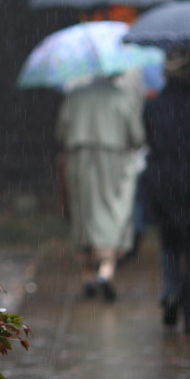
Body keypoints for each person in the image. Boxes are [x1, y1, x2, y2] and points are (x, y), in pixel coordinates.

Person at [140, 50, 190, 332]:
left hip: (162, 181)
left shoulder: (154, 106)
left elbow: (148, 139)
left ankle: (171, 290)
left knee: (169, 243)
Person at [57, 72, 146, 301]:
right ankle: (106, 269)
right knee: (114, 209)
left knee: (83, 212)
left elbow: (61, 132)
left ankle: (87, 274)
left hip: (79, 158)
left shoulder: (75, 96)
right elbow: (137, 135)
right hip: (114, 159)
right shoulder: (123, 97)